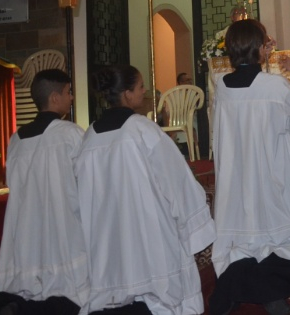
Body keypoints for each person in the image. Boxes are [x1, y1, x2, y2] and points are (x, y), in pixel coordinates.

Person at [76, 65, 216, 315]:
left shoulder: (90, 137)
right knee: (154, 290)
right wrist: (192, 216)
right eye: (141, 87)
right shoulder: (141, 129)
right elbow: (176, 179)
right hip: (145, 228)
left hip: (107, 235)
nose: (145, 91)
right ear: (128, 94)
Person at [210, 20, 290, 315]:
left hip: (238, 174)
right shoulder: (275, 86)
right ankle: (272, 290)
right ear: (261, 48)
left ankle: (241, 287)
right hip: (272, 175)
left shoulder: (221, 86)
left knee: (246, 241)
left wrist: (262, 60)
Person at [0, 69, 88, 315]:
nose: (71, 98)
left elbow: (14, 181)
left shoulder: (17, 139)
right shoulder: (70, 134)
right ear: (55, 98)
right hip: (62, 225)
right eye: (68, 92)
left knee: (30, 288)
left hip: (27, 229)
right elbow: (85, 179)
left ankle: (2, 308)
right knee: (70, 291)